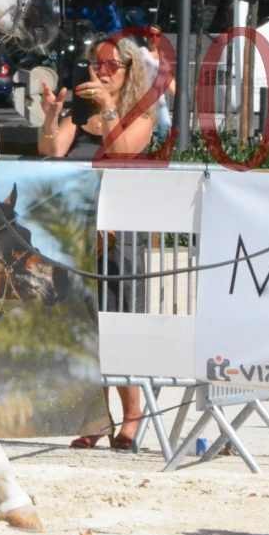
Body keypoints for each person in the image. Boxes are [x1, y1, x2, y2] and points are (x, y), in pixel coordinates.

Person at [37, 35, 156, 449]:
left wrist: (108, 108)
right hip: (80, 229)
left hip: (121, 230)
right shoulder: (82, 108)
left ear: (129, 70)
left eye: (110, 65)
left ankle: (132, 418)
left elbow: (123, 148)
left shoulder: (141, 110)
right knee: (84, 327)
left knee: (119, 323)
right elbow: (52, 148)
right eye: (97, 63)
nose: (102, 70)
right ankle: (94, 418)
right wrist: (52, 116)